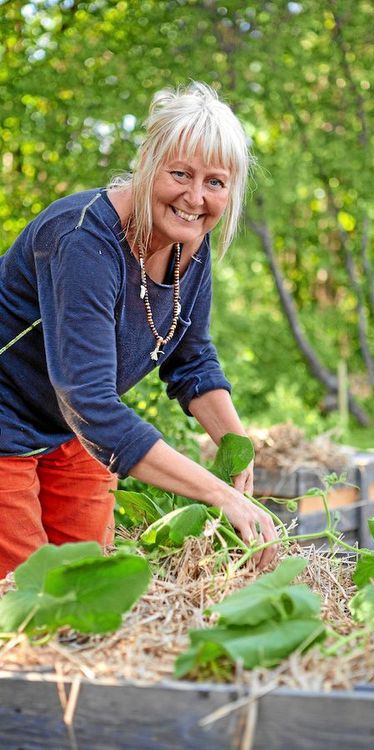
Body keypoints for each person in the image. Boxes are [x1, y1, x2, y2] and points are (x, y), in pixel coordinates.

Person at [0, 82, 278, 577]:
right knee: (27, 595)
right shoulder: (83, 241)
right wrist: (217, 495)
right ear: (148, 162)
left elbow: (190, 359)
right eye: (180, 174)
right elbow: (90, 401)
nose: (195, 197)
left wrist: (236, 449)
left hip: (72, 433)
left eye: (215, 182)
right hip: (14, 419)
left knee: (88, 584)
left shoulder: (188, 237)